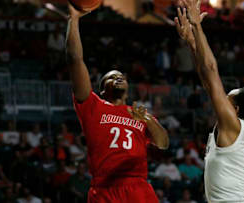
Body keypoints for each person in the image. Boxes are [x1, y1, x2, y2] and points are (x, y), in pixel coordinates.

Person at [65, 3, 169, 203]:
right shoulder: (92, 106)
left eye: (122, 76)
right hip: (105, 188)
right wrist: (74, 18)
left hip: (137, 186)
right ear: (102, 90)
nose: (119, 77)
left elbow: (163, 143)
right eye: (112, 77)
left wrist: (147, 119)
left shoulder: (138, 113)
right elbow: (74, 59)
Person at [175, 0, 244, 202]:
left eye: (227, 98)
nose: (220, 98)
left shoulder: (234, 125)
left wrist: (197, 27)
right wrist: (192, 43)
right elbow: (208, 81)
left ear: (236, 110)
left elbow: (212, 72)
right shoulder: (239, 129)